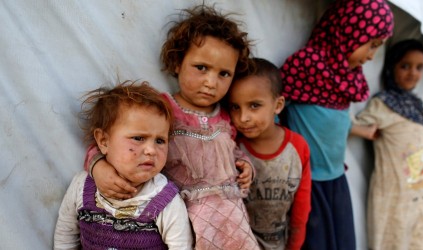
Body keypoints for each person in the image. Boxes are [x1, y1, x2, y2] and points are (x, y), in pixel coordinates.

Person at [83, 5, 260, 249]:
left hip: (230, 215)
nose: (211, 82)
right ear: (177, 63)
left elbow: (231, 152)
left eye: (224, 74)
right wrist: (98, 168)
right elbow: (112, 141)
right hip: (184, 216)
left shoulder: (227, 116)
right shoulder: (161, 108)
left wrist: (245, 166)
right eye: (201, 68)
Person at [278, 0, 394, 249]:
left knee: (342, 242)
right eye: (370, 45)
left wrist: (360, 130)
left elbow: (330, 120)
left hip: (336, 177)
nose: (372, 55)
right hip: (309, 180)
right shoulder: (305, 66)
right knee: (315, 242)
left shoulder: (346, 75)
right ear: (348, 31)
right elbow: (274, 112)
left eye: (377, 48)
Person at [54, 81, 193, 249]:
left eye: (160, 141)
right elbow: (65, 236)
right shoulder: (81, 187)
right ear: (104, 141)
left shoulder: (166, 200)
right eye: (138, 138)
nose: (151, 150)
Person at [351, 39, 423, 250]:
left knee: (418, 240)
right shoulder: (383, 104)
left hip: (420, 192)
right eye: (405, 66)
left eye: (419, 67)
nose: (412, 73)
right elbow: (351, 125)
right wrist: (366, 131)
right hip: (393, 194)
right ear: (391, 67)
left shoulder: (417, 107)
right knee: (393, 239)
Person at [228, 58, 312, 250]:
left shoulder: (297, 148)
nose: (243, 118)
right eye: (235, 107)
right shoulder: (233, 146)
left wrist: (294, 247)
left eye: (254, 106)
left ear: (278, 105)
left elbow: (301, 209)